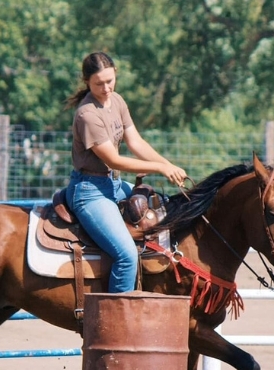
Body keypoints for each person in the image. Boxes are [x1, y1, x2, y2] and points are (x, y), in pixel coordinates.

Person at [65, 52, 187, 293]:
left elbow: (136, 142)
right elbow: (114, 160)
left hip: (113, 185)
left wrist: (168, 165)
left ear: (115, 74)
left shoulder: (117, 101)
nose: (106, 88)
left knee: (163, 211)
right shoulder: (87, 115)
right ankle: (117, 320)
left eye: (110, 81)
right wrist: (160, 168)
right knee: (126, 255)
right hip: (90, 192)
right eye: (99, 83)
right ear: (86, 81)